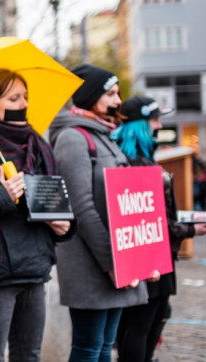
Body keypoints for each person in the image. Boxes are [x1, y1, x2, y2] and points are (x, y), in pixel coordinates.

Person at [0, 69, 76, 362]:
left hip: (35, 270)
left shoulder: (39, 146)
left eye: (25, 97)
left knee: (28, 356)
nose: (23, 104)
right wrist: (1, 194)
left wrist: (65, 225)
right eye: (13, 98)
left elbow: (60, 201)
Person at [49, 64, 149, 362]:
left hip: (117, 260)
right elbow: (81, 206)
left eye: (117, 93)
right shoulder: (73, 138)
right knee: (89, 348)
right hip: (93, 263)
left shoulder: (104, 134)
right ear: (89, 95)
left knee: (105, 346)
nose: (118, 101)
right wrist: (111, 261)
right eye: (110, 94)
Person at [112, 96, 206, 362]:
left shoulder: (140, 159)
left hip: (159, 257)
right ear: (140, 125)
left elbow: (160, 215)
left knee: (151, 322)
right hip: (148, 261)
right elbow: (149, 221)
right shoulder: (133, 163)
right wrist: (191, 230)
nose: (159, 126)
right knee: (140, 328)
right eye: (155, 119)